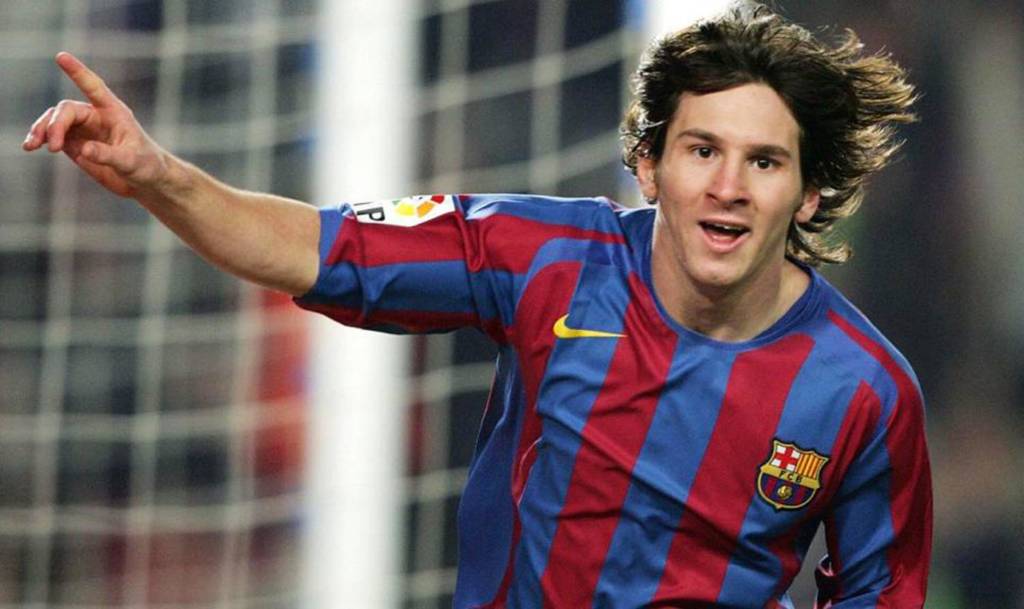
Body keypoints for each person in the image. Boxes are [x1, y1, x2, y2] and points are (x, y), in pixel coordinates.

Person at [24, 4, 931, 608]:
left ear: (809, 194)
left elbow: (880, 593)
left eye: (764, 162)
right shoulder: (547, 258)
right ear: (649, 165)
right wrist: (158, 175)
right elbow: (313, 247)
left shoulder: (865, 391)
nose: (728, 185)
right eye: (702, 151)